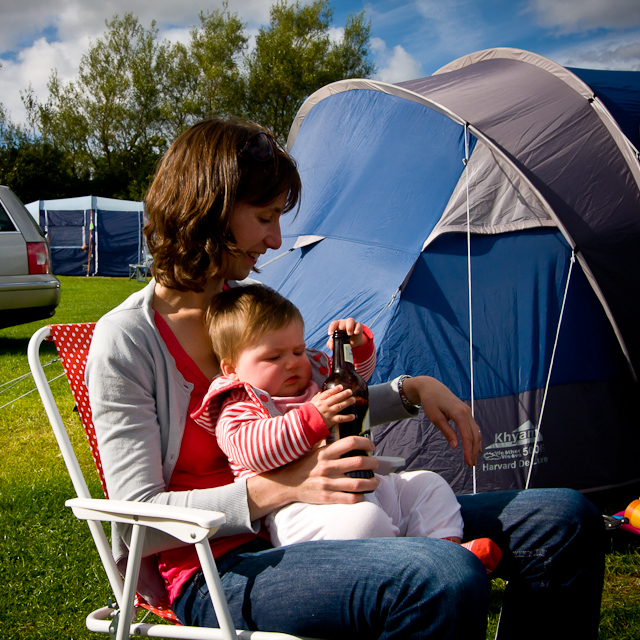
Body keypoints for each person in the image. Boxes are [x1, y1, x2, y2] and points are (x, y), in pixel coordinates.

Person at [86, 116, 605, 640]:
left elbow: (306, 405)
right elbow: (137, 520)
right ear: (211, 210)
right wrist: (281, 487)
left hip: (329, 517)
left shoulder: (244, 312)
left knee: (566, 518)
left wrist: (409, 391)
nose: (276, 238)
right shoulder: (129, 339)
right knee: (442, 576)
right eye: (265, 217)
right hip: (221, 568)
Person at [191, 283, 502, 573]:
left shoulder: (312, 378)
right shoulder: (239, 404)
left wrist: (358, 348)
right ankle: (416, 566)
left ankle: (447, 551)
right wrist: (313, 417)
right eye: (274, 356)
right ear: (231, 369)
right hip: (302, 508)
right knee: (364, 521)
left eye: (298, 351)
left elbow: (354, 386)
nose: (292, 363)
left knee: (428, 485)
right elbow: (252, 451)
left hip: (366, 483)